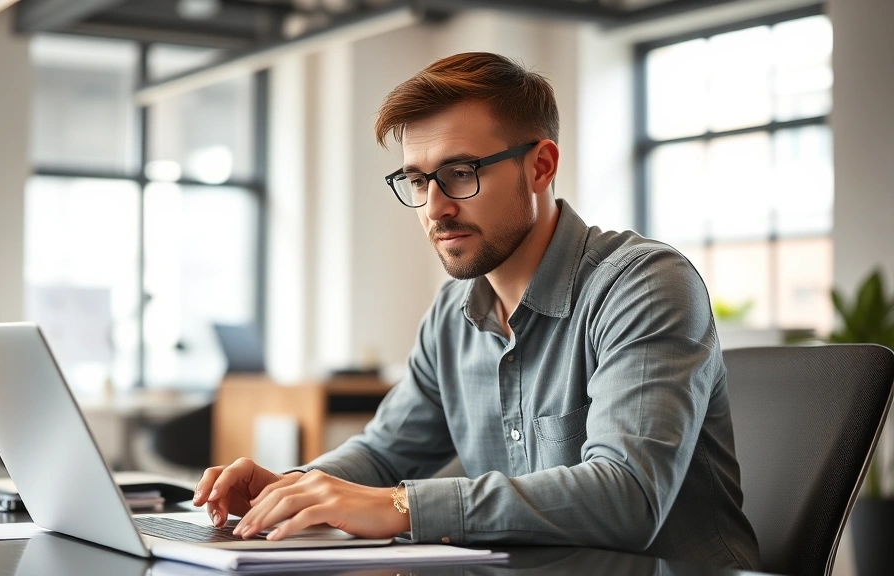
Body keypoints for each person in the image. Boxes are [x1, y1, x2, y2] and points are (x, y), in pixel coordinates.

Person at [192, 52, 760, 570]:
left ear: (540, 166)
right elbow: (386, 451)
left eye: (460, 173)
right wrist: (294, 488)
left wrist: (402, 506)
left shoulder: (644, 285)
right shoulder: (452, 314)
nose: (435, 208)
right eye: (417, 180)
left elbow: (627, 494)